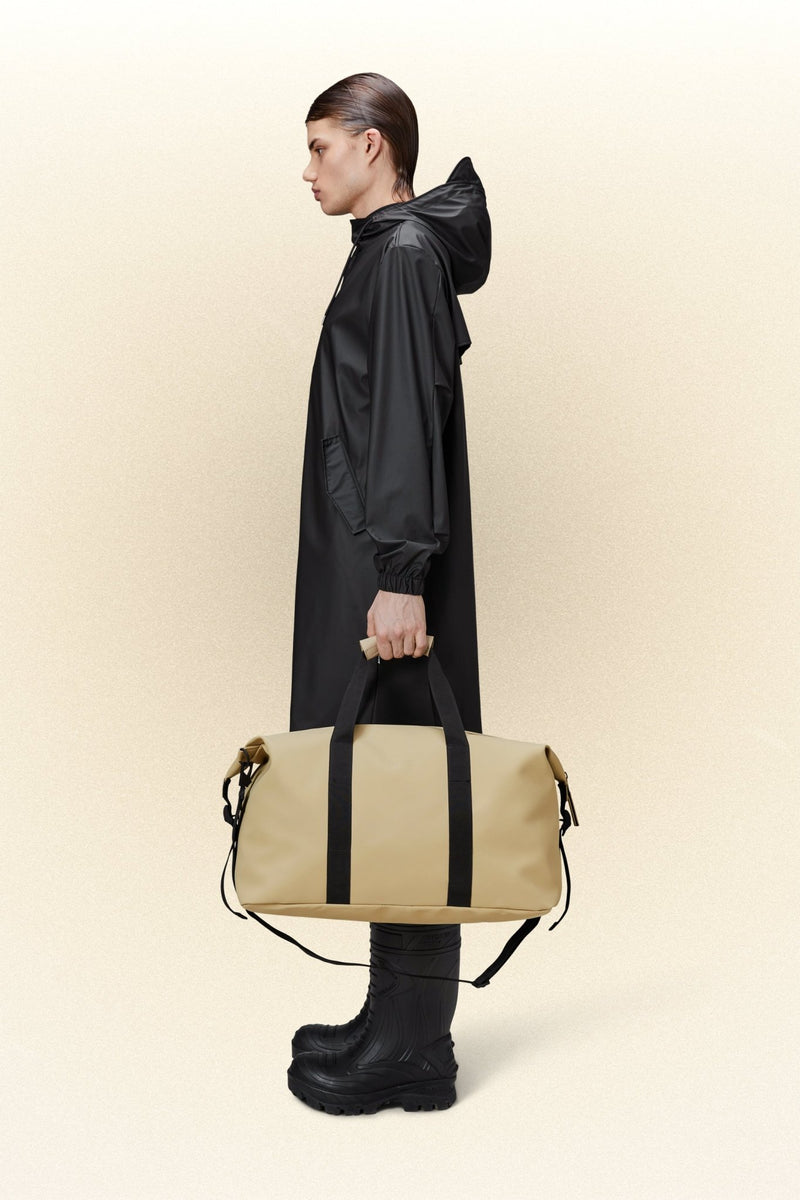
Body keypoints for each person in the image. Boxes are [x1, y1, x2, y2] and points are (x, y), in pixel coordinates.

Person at [286, 72, 491, 1115]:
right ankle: (392, 1020)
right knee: (389, 785)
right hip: (372, 563)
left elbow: (405, 413)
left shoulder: (402, 255)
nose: (307, 169)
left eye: (321, 146)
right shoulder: (387, 250)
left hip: (388, 578)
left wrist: (400, 580)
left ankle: (416, 1050)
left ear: (374, 146)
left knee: (404, 784)